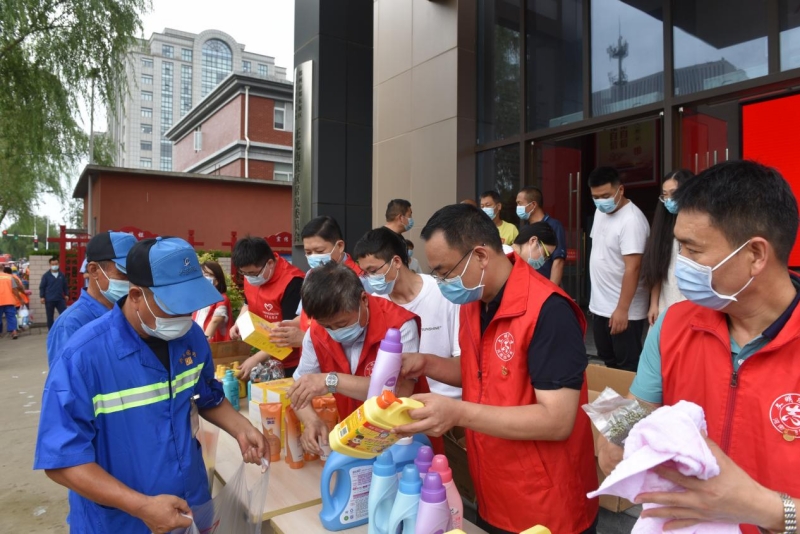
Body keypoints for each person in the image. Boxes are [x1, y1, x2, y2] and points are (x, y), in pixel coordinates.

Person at [598, 161, 800, 534]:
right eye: (679, 248)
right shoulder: (674, 325)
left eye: (692, 250)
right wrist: (610, 431)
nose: (681, 266)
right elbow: (637, 405)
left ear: (755, 254)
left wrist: (766, 509)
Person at [34, 237, 268, 533]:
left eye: (190, 305)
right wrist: (141, 506)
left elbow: (207, 395)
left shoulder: (191, 338)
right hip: (121, 521)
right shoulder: (82, 357)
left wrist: (241, 428)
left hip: (191, 506)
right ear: (135, 295)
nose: (185, 317)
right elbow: (62, 459)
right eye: (175, 306)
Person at [397, 204, 598, 534]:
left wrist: (457, 413)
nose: (442, 282)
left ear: (480, 256)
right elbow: (480, 373)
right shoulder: (474, 302)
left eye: (445, 272)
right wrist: (426, 364)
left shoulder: (548, 310)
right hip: (493, 490)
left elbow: (557, 420)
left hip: (546, 504)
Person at [287, 262, 440, 457]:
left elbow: (399, 392)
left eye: (342, 323)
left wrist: (331, 380)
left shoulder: (398, 326)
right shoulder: (316, 333)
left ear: (363, 300)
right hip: (357, 440)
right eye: (327, 326)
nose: (335, 332)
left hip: (405, 438)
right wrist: (311, 421)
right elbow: (299, 387)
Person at [354, 228, 461, 399]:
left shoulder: (443, 292)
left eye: (373, 271)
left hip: (445, 401)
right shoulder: (374, 304)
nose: (369, 278)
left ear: (396, 262)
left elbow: (462, 361)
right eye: (365, 273)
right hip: (398, 403)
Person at [587, 166, 650, 371]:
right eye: (595, 196)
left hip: (623, 311)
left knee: (626, 366)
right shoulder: (599, 212)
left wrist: (622, 310)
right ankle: (613, 404)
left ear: (620, 190)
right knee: (608, 359)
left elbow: (633, 268)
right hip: (600, 306)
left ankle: (629, 404)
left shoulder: (632, 220)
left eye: (605, 195)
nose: (600, 201)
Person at [46, 231, 137, 366]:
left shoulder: (134, 313)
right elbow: (65, 382)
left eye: (135, 274)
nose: (131, 281)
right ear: (94, 270)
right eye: (123, 273)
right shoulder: (71, 325)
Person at [230, 237, 304, 378]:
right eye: (243, 273)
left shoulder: (292, 283)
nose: (249, 278)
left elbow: (288, 331)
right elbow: (247, 304)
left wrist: (256, 359)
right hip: (267, 354)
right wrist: (239, 322)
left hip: (292, 362)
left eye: (252, 273)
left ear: (269, 263)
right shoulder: (251, 275)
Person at [641, 170, 694, 325]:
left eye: (674, 193)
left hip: (692, 305)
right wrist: (654, 304)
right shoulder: (662, 229)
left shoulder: (701, 228)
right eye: (665, 195)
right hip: (666, 304)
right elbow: (657, 268)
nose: (669, 199)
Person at [515, 187, 568, 286]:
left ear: (533, 204)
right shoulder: (524, 229)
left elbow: (558, 261)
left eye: (519, 203)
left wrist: (551, 291)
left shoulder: (554, 226)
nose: (517, 207)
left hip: (545, 286)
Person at [193, 260, 233, 342]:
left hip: (214, 346)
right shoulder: (199, 299)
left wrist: (204, 342)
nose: (203, 278)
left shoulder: (222, 299)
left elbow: (216, 320)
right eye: (201, 275)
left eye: (207, 275)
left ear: (217, 280)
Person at [40, 255, 69, 329]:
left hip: (60, 299)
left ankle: (64, 328)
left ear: (58, 264)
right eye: (53, 264)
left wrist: (66, 294)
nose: (54, 266)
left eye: (56, 264)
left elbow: (65, 285)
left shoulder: (61, 275)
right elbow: (42, 287)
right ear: (50, 265)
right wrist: (42, 297)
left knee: (64, 314)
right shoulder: (46, 276)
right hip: (49, 299)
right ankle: (51, 331)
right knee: (50, 317)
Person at [0, 266, 22, 340]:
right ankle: (14, 332)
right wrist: (20, 299)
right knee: (11, 317)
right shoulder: (9, 277)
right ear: (3, 269)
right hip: (9, 300)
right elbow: (15, 290)